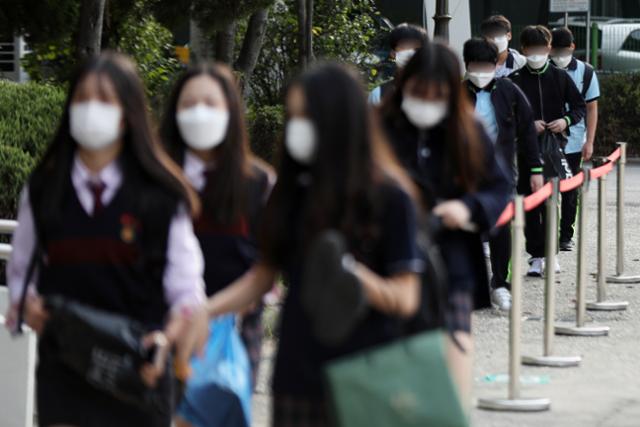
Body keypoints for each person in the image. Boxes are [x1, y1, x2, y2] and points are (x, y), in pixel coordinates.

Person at [206, 63, 424, 426]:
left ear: (340, 119)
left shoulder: (388, 196)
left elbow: (406, 297)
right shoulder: (292, 191)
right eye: (293, 116)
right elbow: (263, 274)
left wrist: (346, 273)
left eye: (307, 115)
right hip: (297, 372)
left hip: (367, 372)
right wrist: (203, 311)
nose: (297, 126)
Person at [4, 52, 208, 427]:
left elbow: (187, 291)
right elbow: (21, 272)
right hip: (65, 375)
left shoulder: (161, 196)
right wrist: (26, 306)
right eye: (82, 99)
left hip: (138, 375)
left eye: (104, 100)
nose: (90, 109)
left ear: (128, 114)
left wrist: (166, 340)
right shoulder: (44, 191)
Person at [380, 43, 511, 403]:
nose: (426, 101)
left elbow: (498, 187)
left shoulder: (468, 130)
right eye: (418, 91)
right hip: (388, 258)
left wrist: (468, 209)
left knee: (454, 349)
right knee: (393, 356)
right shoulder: (380, 127)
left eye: (437, 94)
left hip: (451, 257)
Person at [161, 63, 275, 394]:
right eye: (189, 104)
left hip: (234, 330)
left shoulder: (258, 182)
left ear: (231, 112)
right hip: (164, 325)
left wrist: (210, 311)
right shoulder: (156, 179)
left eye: (210, 104)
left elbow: (265, 268)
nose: (199, 113)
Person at [462, 37, 544, 311]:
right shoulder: (456, 93)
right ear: (467, 65)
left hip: (501, 173)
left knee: (501, 230)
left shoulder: (509, 91)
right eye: (476, 65)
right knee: (466, 229)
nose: (482, 70)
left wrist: (535, 169)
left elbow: (528, 131)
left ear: (495, 66)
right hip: (464, 173)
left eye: (487, 65)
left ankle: (500, 284)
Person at [509, 25, 586, 276]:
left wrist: (565, 121)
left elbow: (579, 107)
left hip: (554, 149)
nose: (537, 53)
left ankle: (551, 253)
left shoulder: (560, 77)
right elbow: (507, 117)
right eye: (532, 49)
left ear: (549, 49)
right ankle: (535, 255)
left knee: (551, 201)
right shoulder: (514, 80)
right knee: (529, 202)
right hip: (525, 149)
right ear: (524, 49)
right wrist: (527, 125)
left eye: (542, 49)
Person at [551, 27, 600, 251]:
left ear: (572, 47)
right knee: (544, 190)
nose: (559, 54)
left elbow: (591, 108)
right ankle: (545, 235)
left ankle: (565, 235)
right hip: (547, 141)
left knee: (570, 190)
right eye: (555, 50)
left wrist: (589, 141)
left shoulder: (586, 72)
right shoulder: (543, 69)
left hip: (573, 141)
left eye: (564, 49)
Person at [368, 23, 429, 105]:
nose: (410, 53)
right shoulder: (378, 94)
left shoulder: (437, 92)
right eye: (404, 47)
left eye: (416, 49)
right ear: (393, 53)